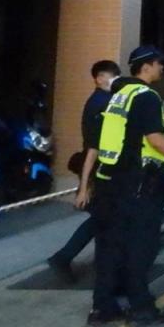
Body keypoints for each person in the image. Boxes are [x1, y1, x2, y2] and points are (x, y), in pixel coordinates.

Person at [89, 46, 164, 326]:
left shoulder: (120, 95)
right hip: (138, 182)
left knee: (109, 247)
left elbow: (151, 123)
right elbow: (155, 138)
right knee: (142, 246)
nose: (162, 68)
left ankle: (103, 308)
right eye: (159, 63)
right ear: (147, 67)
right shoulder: (147, 96)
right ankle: (141, 308)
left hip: (109, 180)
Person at [47, 60, 121, 283]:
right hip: (98, 170)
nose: (114, 81)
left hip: (101, 169)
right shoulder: (100, 104)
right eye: (111, 77)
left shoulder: (104, 101)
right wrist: (85, 186)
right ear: (98, 78)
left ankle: (75, 259)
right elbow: (93, 147)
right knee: (102, 218)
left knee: (103, 219)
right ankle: (65, 257)